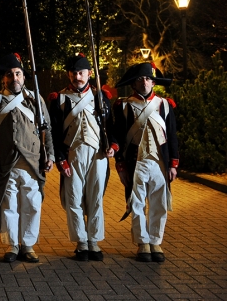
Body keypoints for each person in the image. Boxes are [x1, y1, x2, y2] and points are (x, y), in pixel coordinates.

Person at [0, 53, 55, 263]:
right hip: (7, 163)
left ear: (23, 77)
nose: (14, 77)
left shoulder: (35, 99)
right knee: (9, 206)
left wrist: (49, 154)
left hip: (32, 162)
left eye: (18, 73)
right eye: (9, 74)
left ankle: (28, 245)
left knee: (32, 204)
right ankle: (12, 245)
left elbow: (46, 130)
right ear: (3, 79)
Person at [48, 53, 117, 261]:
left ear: (89, 73)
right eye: (74, 73)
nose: (78, 76)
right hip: (72, 155)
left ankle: (94, 241)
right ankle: (81, 243)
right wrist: (60, 159)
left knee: (95, 198)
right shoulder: (59, 99)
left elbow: (110, 126)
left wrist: (113, 145)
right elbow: (54, 132)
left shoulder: (100, 97)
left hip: (98, 154)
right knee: (74, 199)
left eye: (81, 72)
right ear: (69, 74)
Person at [113, 63, 178, 263]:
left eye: (148, 78)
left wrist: (174, 163)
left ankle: (156, 241)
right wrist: (120, 164)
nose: (145, 82)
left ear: (153, 82)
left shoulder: (164, 104)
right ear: (134, 82)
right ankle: (143, 243)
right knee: (137, 203)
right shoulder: (123, 105)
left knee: (159, 204)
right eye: (140, 78)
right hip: (136, 162)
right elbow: (118, 136)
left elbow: (172, 135)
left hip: (159, 161)